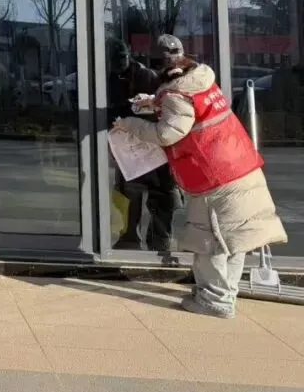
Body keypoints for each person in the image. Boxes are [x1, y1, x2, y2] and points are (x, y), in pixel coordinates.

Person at [116, 34, 287, 318]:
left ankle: (214, 300)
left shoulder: (176, 94)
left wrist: (130, 124)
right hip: (242, 165)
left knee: (210, 240)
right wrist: (155, 102)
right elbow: (190, 109)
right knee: (235, 237)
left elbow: (166, 133)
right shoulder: (202, 80)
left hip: (215, 177)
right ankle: (225, 293)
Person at [107, 38, 178, 253]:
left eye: (122, 57)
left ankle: (158, 241)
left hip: (151, 144)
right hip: (129, 146)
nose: (119, 62)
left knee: (162, 194)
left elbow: (162, 112)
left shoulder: (146, 76)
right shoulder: (109, 79)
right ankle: (130, 238)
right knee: (129, 194)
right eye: (115, 58)